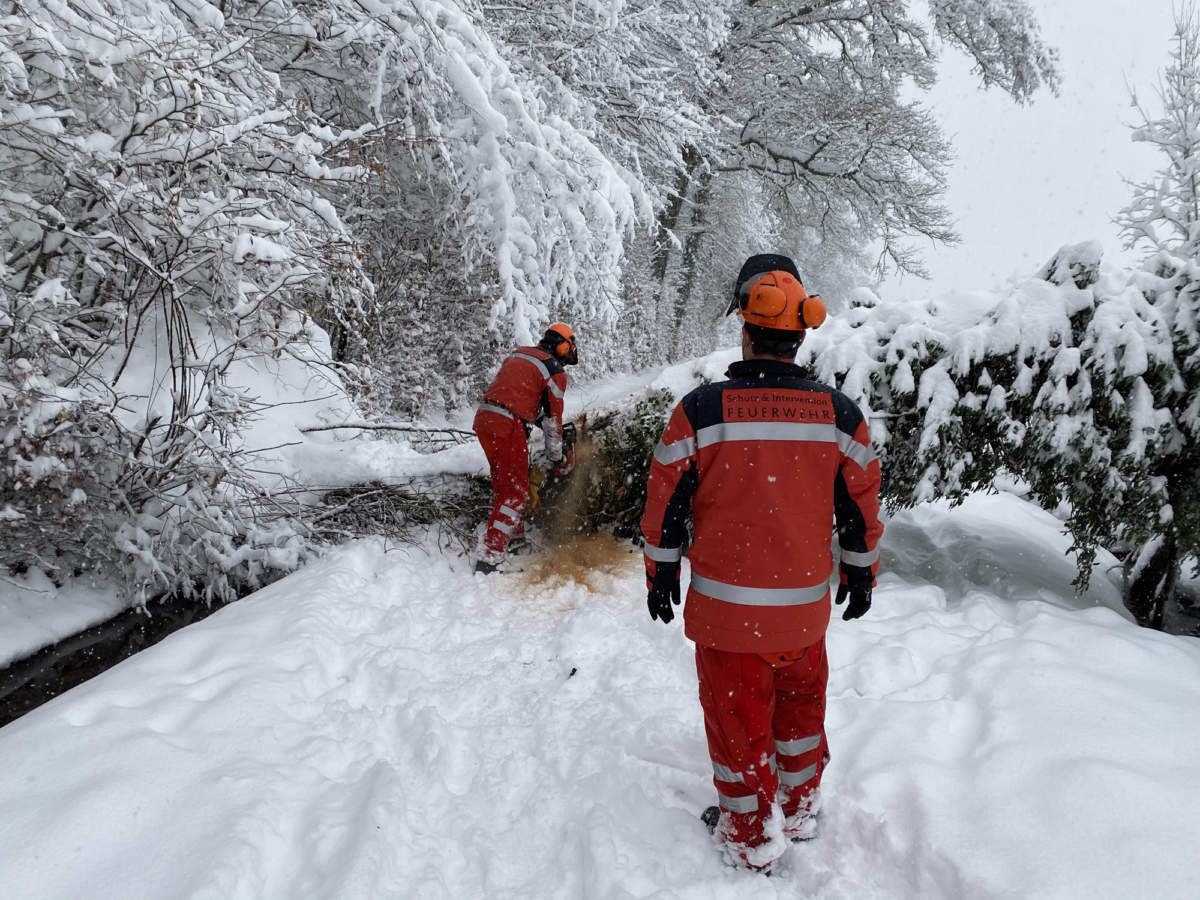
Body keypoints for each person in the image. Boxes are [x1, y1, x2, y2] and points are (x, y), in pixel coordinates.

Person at [639, 254, 883, 872]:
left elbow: (666, 501)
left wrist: (661, 571)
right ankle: (799, 810)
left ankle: (749, 838)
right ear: (800, 337)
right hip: (802, 616)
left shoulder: (701, 411)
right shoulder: (839, 415)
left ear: (744, 329)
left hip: (727, 619)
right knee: (800, 715)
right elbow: (859, 506)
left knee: (738, 726)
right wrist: (859, 571)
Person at [473, 323, 578, 573]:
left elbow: (518, 394)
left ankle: (515, 540)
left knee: (505, 486)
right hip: (509, 424)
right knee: (516, 494)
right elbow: (553, 421)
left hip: (485, 418)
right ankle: (490, 557)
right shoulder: (555, 371)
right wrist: (557, 455)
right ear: (564, 346)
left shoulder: (521, 354)